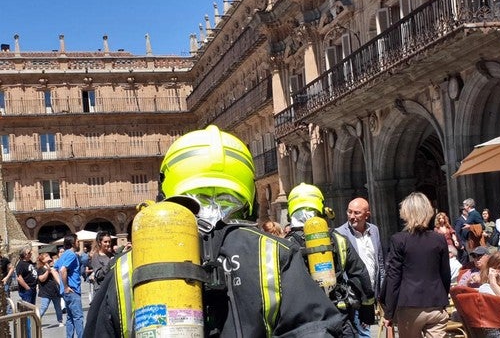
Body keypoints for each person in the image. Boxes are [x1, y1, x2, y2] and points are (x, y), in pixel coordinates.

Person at [85, 125, 345, 337]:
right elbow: (316, 329)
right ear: (250, 193)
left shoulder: (125, 270)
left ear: (166, 190)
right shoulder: (273, 254)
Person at [288, 185, 375, 337]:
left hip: (303, 321)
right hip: (338, 316)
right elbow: (359, 273)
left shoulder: (284, 244)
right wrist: (367, 309)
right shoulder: (338, 239)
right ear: (321, 208)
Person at [381, 192, 450, 337]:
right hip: (436, 304)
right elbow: (445, 274)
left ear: (405, 213)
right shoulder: (439, 239)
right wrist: (443, 299)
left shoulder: (398, 240)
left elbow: (393, 277)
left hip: (409, 305)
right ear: (429, 211)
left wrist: (388, 312)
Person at [336, 197, 385, 338]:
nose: (352, 216)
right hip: (353, 295)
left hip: (371, 295)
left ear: (367, 214)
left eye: (356, 213)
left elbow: (379, 263)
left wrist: (382, 292)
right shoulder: (339, 233)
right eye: (349, 212)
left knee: (364, 331)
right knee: (363, 333)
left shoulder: (374, 231)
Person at [55, 233, 84, 338]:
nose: (78, 242)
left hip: (66, 292)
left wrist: (61, 284)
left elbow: (54, 268)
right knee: (78, 317)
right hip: (73, 290)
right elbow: (63, 270)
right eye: (77, 240)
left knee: (70, 318)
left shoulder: (64, 255)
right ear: (72, 242)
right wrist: (66, 286)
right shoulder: (71, 255)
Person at [36, 252, 63, 326]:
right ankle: (37, 321)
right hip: (46, 292)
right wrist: (48, 271)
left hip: (55, 291)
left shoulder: (53, 266)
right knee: (44, 307)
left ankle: (60, 321)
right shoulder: (40, 269)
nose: (48, 257)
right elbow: (41, 279)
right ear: (43, 260)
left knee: (58, 307)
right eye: (46, 256)